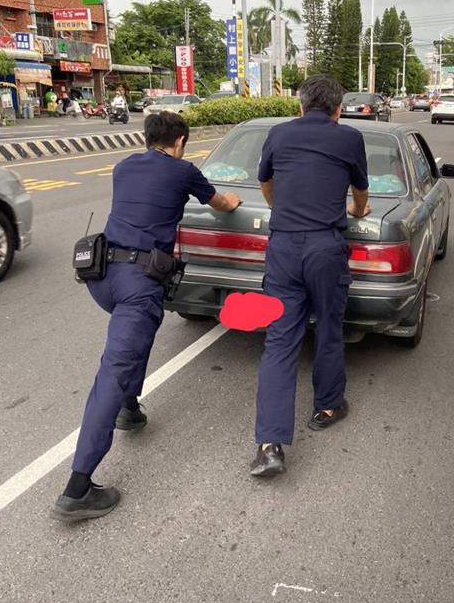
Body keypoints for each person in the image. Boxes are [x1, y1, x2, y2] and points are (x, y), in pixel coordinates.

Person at [53, 111, 241, 521]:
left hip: (102, 278)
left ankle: (129, 407)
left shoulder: (124, 166)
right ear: (179, 142)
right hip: (139, 285)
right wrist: (236, 200)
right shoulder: (183, 171)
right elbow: (223, 205)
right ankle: (77, 487)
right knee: (113, 370)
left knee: (138, 336)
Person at [251, 74, 371, 478]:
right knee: (329, 327)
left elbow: (265, 181)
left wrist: (281, 205)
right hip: (325, 247)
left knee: (280, 341)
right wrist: (356, 211)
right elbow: (360, 191)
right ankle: (327, 406)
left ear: (299, 106)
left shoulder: (278, 135)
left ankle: (269, 445)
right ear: (338, 109)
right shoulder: (349, 138)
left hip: (283, 248)